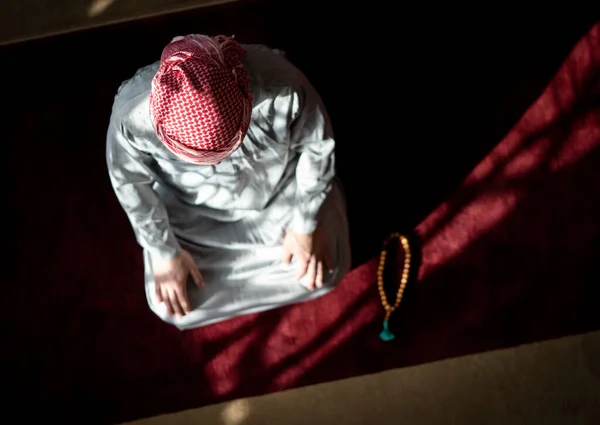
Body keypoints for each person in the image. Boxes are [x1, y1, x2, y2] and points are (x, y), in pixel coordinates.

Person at [106, 34, 351, 330]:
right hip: (193, 214)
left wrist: (304, 226)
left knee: (324, 273)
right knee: (171, 306)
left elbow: (317, 149)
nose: (217, 165)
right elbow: (129, 183)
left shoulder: (283, 86)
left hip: (277, 199)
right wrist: (165, 253)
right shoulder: (132, 114)